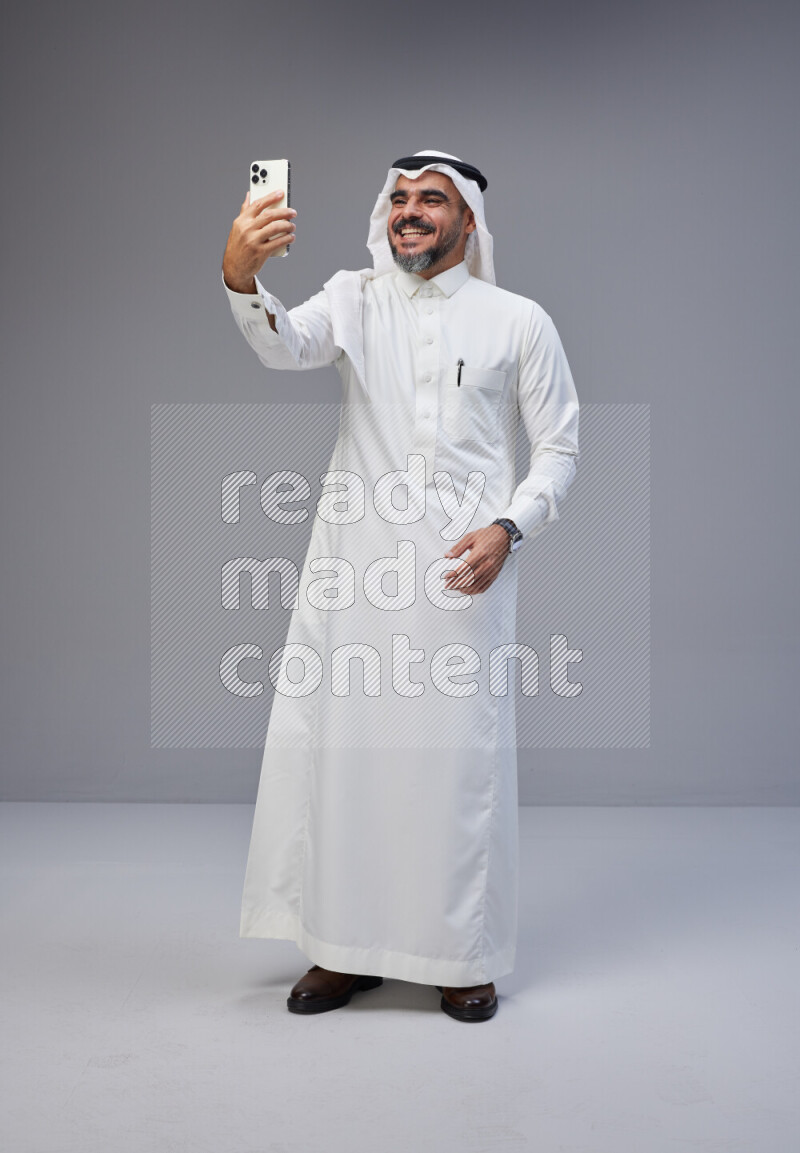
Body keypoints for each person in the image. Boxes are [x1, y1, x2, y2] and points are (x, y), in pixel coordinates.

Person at [221, 150, 579, 1022]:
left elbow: (560, 448)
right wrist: (241, 277)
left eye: (432, 200)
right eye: (400, 198)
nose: (411, 211)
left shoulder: (518, 320)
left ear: (468, 221)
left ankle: (460, 956)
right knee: (350, 763)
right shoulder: (355, 297)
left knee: (454, 769)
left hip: (462, 575)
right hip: (357, 573)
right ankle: (341, 949)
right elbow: (285, 344)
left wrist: (509, 527)